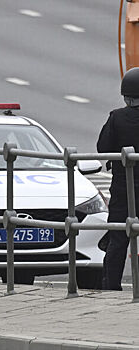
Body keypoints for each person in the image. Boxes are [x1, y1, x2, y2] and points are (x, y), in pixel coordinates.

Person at [97, 67, 139, 291]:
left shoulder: (116, 118)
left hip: (123, 187)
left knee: (118, 239)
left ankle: (111, 286)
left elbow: (103, 148)